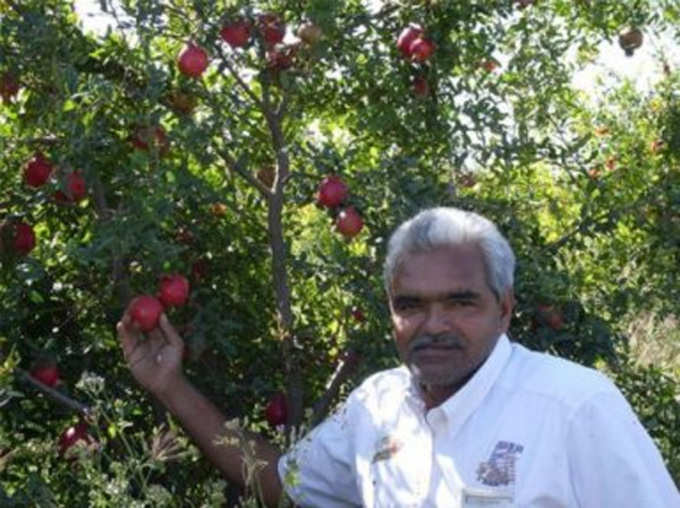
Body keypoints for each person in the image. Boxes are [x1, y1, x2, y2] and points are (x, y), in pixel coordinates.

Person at [117, 206, 680, 507]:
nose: (433, 326)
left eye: (460, 302)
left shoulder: (574, 407)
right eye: (410, 305)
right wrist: (172, 387)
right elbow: (277, 485)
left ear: (504, 308)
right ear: (390, 311)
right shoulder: (376, 407)